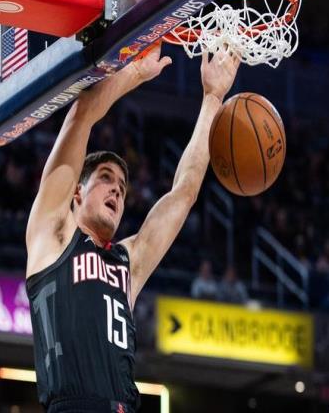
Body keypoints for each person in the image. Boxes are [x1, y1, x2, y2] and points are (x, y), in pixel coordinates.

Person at [25, 44, 240, 413]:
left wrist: (212, 98)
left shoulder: (128, 263)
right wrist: (135, 74)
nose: (116, 191)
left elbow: (184, 193)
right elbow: (81, 115)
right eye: (106, 179)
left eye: (123, 188)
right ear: (76, 192)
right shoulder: (53, 234)